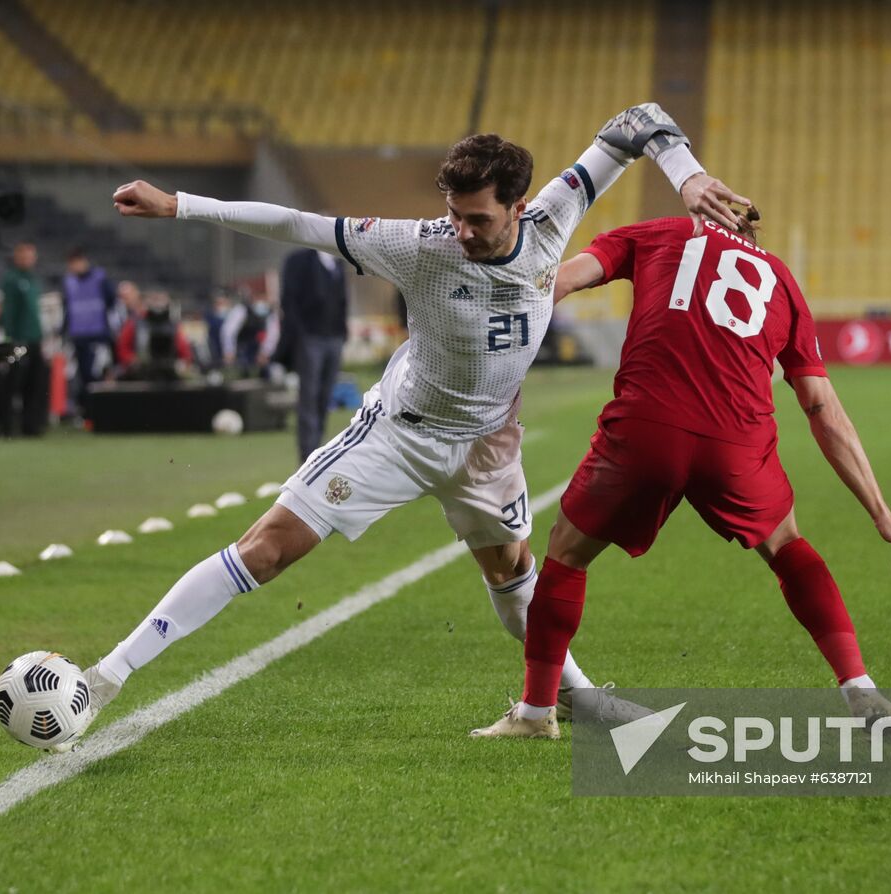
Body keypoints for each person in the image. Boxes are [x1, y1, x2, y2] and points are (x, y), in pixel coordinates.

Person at [54, 103, 749, 751]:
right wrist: (180, 205)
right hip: (398, 435)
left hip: (488, 446)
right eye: (454, 215)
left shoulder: (553, 216)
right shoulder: (417, 246)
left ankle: (570, 699)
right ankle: (106, 678)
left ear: (519, 207)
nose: (462, 231)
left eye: (478, 219)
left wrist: (687, 176)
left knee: (512, 573)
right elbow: (296, 223)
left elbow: (639, 121)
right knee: (266, 551)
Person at [471, 214, 891, 739]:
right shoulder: (781, 278)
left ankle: (535, 712)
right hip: (737, 443)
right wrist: (881, 513)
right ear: (752, 236)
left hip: (649, 427)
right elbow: (822, 407)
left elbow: (559, 281)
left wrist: (486, 331)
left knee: (567, 553)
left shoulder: (659, 231)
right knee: (788, 547)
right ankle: (860, 690)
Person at [279, 247, 348, 462]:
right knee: (308, 397)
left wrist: (342, 333)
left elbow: (342, 301)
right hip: (310, 338)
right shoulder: (299, 260)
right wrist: (300, 334)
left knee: (325, 396)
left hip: (334, 337)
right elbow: (289, 299)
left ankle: (318, 451)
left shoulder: (337, 263)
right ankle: (307, 456)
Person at [0, 241, 48, 437]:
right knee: (12, 382)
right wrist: (11, 337)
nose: (28, 260)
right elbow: (8, 312)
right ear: (16, 257)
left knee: (35, 384)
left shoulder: (33, 280)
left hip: (34, 339)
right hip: (19, 340)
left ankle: (31, 426)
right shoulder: (12, 280)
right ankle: (5, 425)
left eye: (30, 256)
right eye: (24, 256)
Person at [61, 246, 116, 417]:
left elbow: (111, 300)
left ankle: (98, 413)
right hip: (78, 336)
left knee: (97, 375)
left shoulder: (99, 278)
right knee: (83, 376)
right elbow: (67, 308)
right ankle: (88, 413)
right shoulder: (69, 282)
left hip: (97, 336)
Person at [115, 289, 192, 380]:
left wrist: (181, 364)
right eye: (154, 299)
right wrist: (133, 360)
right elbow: (122, 348)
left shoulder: (173, 326)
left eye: (160, 300)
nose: (157, 304)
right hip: (141, 373)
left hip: (168, 374)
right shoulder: (135, 323)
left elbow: (185, 353)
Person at [221, 290, 280, 378]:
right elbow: (228, 332)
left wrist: (265, 352)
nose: (261, 301)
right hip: (242, 351)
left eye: (264, 298)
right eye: (259, 297)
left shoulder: (270, 313)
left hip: (260, 350)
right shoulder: (241, 310)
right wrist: (229, 351)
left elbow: (273, 334)